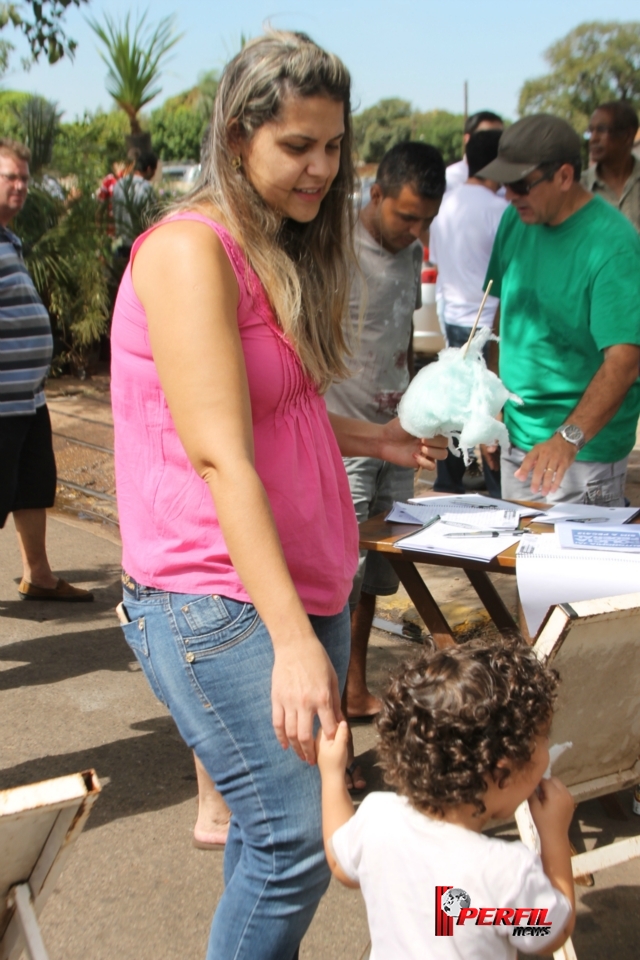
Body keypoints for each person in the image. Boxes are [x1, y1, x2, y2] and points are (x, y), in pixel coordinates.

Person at [110, 31, 446, 960]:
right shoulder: (189, 251)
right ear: (237, 135)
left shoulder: (274, 247)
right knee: (297, 843)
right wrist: (294, 644)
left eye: (334, 146)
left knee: (267, 839)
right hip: (218, 601)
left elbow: (270, 408)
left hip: (308, 587)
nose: (321, 169)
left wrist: (367, 437)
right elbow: (219, 456)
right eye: (298, 147)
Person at [317, 640, 575, 958]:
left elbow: (340, 864)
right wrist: (555, 838)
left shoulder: (378, 818)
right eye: (543, 738)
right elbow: (551, 933)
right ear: (504, 771)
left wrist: (331, 777)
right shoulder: (504, 873)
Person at [325, 142, 445, 747]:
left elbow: (402, 336)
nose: (415, 230)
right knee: (335, 581)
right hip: (341, 435)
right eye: (406, 216)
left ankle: (353, 687)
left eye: (426, 219)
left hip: (397, 433)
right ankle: (331, 730)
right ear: (375, 195)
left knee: (375, 575)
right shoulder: (333, 242)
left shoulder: (413, 248)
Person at [476, 114, 640, 504]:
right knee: (519, 563)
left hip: (581, 454)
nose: (510, 195)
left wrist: (568, 438)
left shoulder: (613, 245)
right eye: (504, 185)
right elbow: (504, 314)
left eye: (521, 184)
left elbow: (625, 360)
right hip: (518, 440)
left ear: (565, 176)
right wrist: (492, 400)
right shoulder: (514, 221)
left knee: (571, 566)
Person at [0, 138, 93, 602]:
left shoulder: (7, 238)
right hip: (1, 402)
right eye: (9, 177)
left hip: (28, 398)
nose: (19, 186)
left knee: (33, 488)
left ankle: (38, 575)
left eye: (23, 178)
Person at [430, 129, 507, 498]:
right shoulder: (501, 210)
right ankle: (496, 490)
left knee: (458, 404)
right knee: (489, 407)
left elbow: (435, 257)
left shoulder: (445, 203)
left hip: (453, 317)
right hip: (488, 323)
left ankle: (448, 483)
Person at [582, 100, 640, 233]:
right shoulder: (580, 188)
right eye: (591, 131)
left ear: (627, 136)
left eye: (601, 130)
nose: (593, 139)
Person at [445, 110, 503, 192]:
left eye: (499, 137)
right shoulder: (451, 178)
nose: (495, 142)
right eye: (486, 136)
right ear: (467, 139)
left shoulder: (508, 179)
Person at [112, 150, 158, 248]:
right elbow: (152, 218)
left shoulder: (119, 184)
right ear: (149, 169)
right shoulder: (145, 188)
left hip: (120, 243)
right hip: (139, 245)